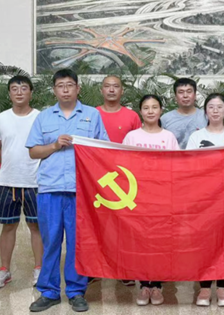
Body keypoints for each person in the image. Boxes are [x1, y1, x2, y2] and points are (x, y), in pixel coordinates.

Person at [26, 69, 109, 313]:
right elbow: (33, 151)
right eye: (60, 85)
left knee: (77, 243)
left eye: (70, 85)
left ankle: (76, 292)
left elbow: (103, 149)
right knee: (51, 242)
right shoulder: (43, 117)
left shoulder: (92, 115)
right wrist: (54, 145)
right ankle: (49, 292)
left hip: (81, 190)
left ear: (77, 88)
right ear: (54, 90)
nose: (65, 89)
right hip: (50, 188)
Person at [185, 93, 224, 307]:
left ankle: (223, 286)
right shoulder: (196, 137)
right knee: (204, 242)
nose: (215, 110)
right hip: (203, 199)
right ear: (205, 111)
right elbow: (188, 167)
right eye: (211, 106)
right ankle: (205, 287)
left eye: (219, 107)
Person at [122, 95, 179, 306]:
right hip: (137, 197)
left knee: (160, 241)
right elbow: (122, 164)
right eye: (146, 107)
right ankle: (143, 284)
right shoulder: (132, 137)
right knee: (140, 240)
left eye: (155, 107)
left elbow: (177, 166)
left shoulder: (169, 137)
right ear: (140, 112)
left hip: (162, 198)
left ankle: (157, 285)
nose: (151, 111)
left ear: (161, 110)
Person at [0, 76, 43, 289]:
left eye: (24, 88)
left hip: (35, 182)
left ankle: (39, 270)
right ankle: (4, 270)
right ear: (9, 93)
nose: (19, 92)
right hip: (7, 181)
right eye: (14, 89)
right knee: (8, 226)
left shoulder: (40, 117)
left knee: (36, 227)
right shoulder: (0, 119)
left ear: (31, 92)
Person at [95, 75, 141, 287]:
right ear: (101, 90)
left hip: (125, 178)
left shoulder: (132, 116)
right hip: (95, 177)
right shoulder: (92, 114)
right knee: (98, 223)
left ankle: (124, 268)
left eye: (116, 86)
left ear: (122, 91)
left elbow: (138, 146)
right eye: (107, 86)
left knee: (124, 225)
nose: (111, 90)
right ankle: (95, 267)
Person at [161, 78, 207, 148]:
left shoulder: (206, 116)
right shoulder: (165, 119)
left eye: (189, 91)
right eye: (181, 92)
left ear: (195, 95)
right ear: (175, 97)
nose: (185, 95)